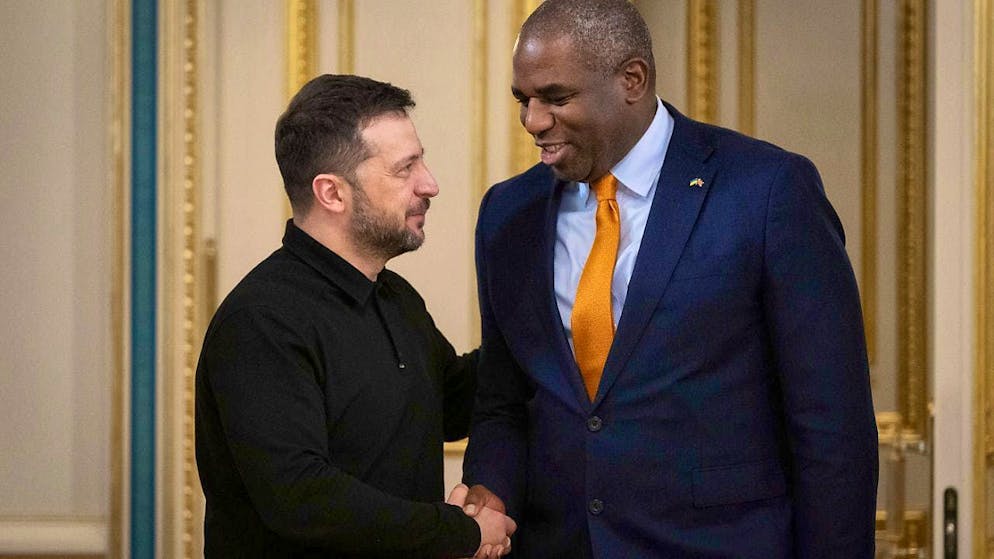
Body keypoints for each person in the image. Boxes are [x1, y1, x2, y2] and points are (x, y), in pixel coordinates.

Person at [461, 1, 878, 557]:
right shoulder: (506, 214)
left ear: (632, 79)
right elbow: (502, 402)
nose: (533, 120)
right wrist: (490, 489)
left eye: (557, 98)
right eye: (524, 100)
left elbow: (832, 426)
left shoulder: (768, 191)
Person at [195, 74, 515, 558]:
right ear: (332, 193)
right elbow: (301, 498)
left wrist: (554, 328)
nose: (430, 183)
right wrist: (459, 533)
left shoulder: (396, 297)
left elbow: (452, 402)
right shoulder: (260, 321)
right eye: (405, 169)